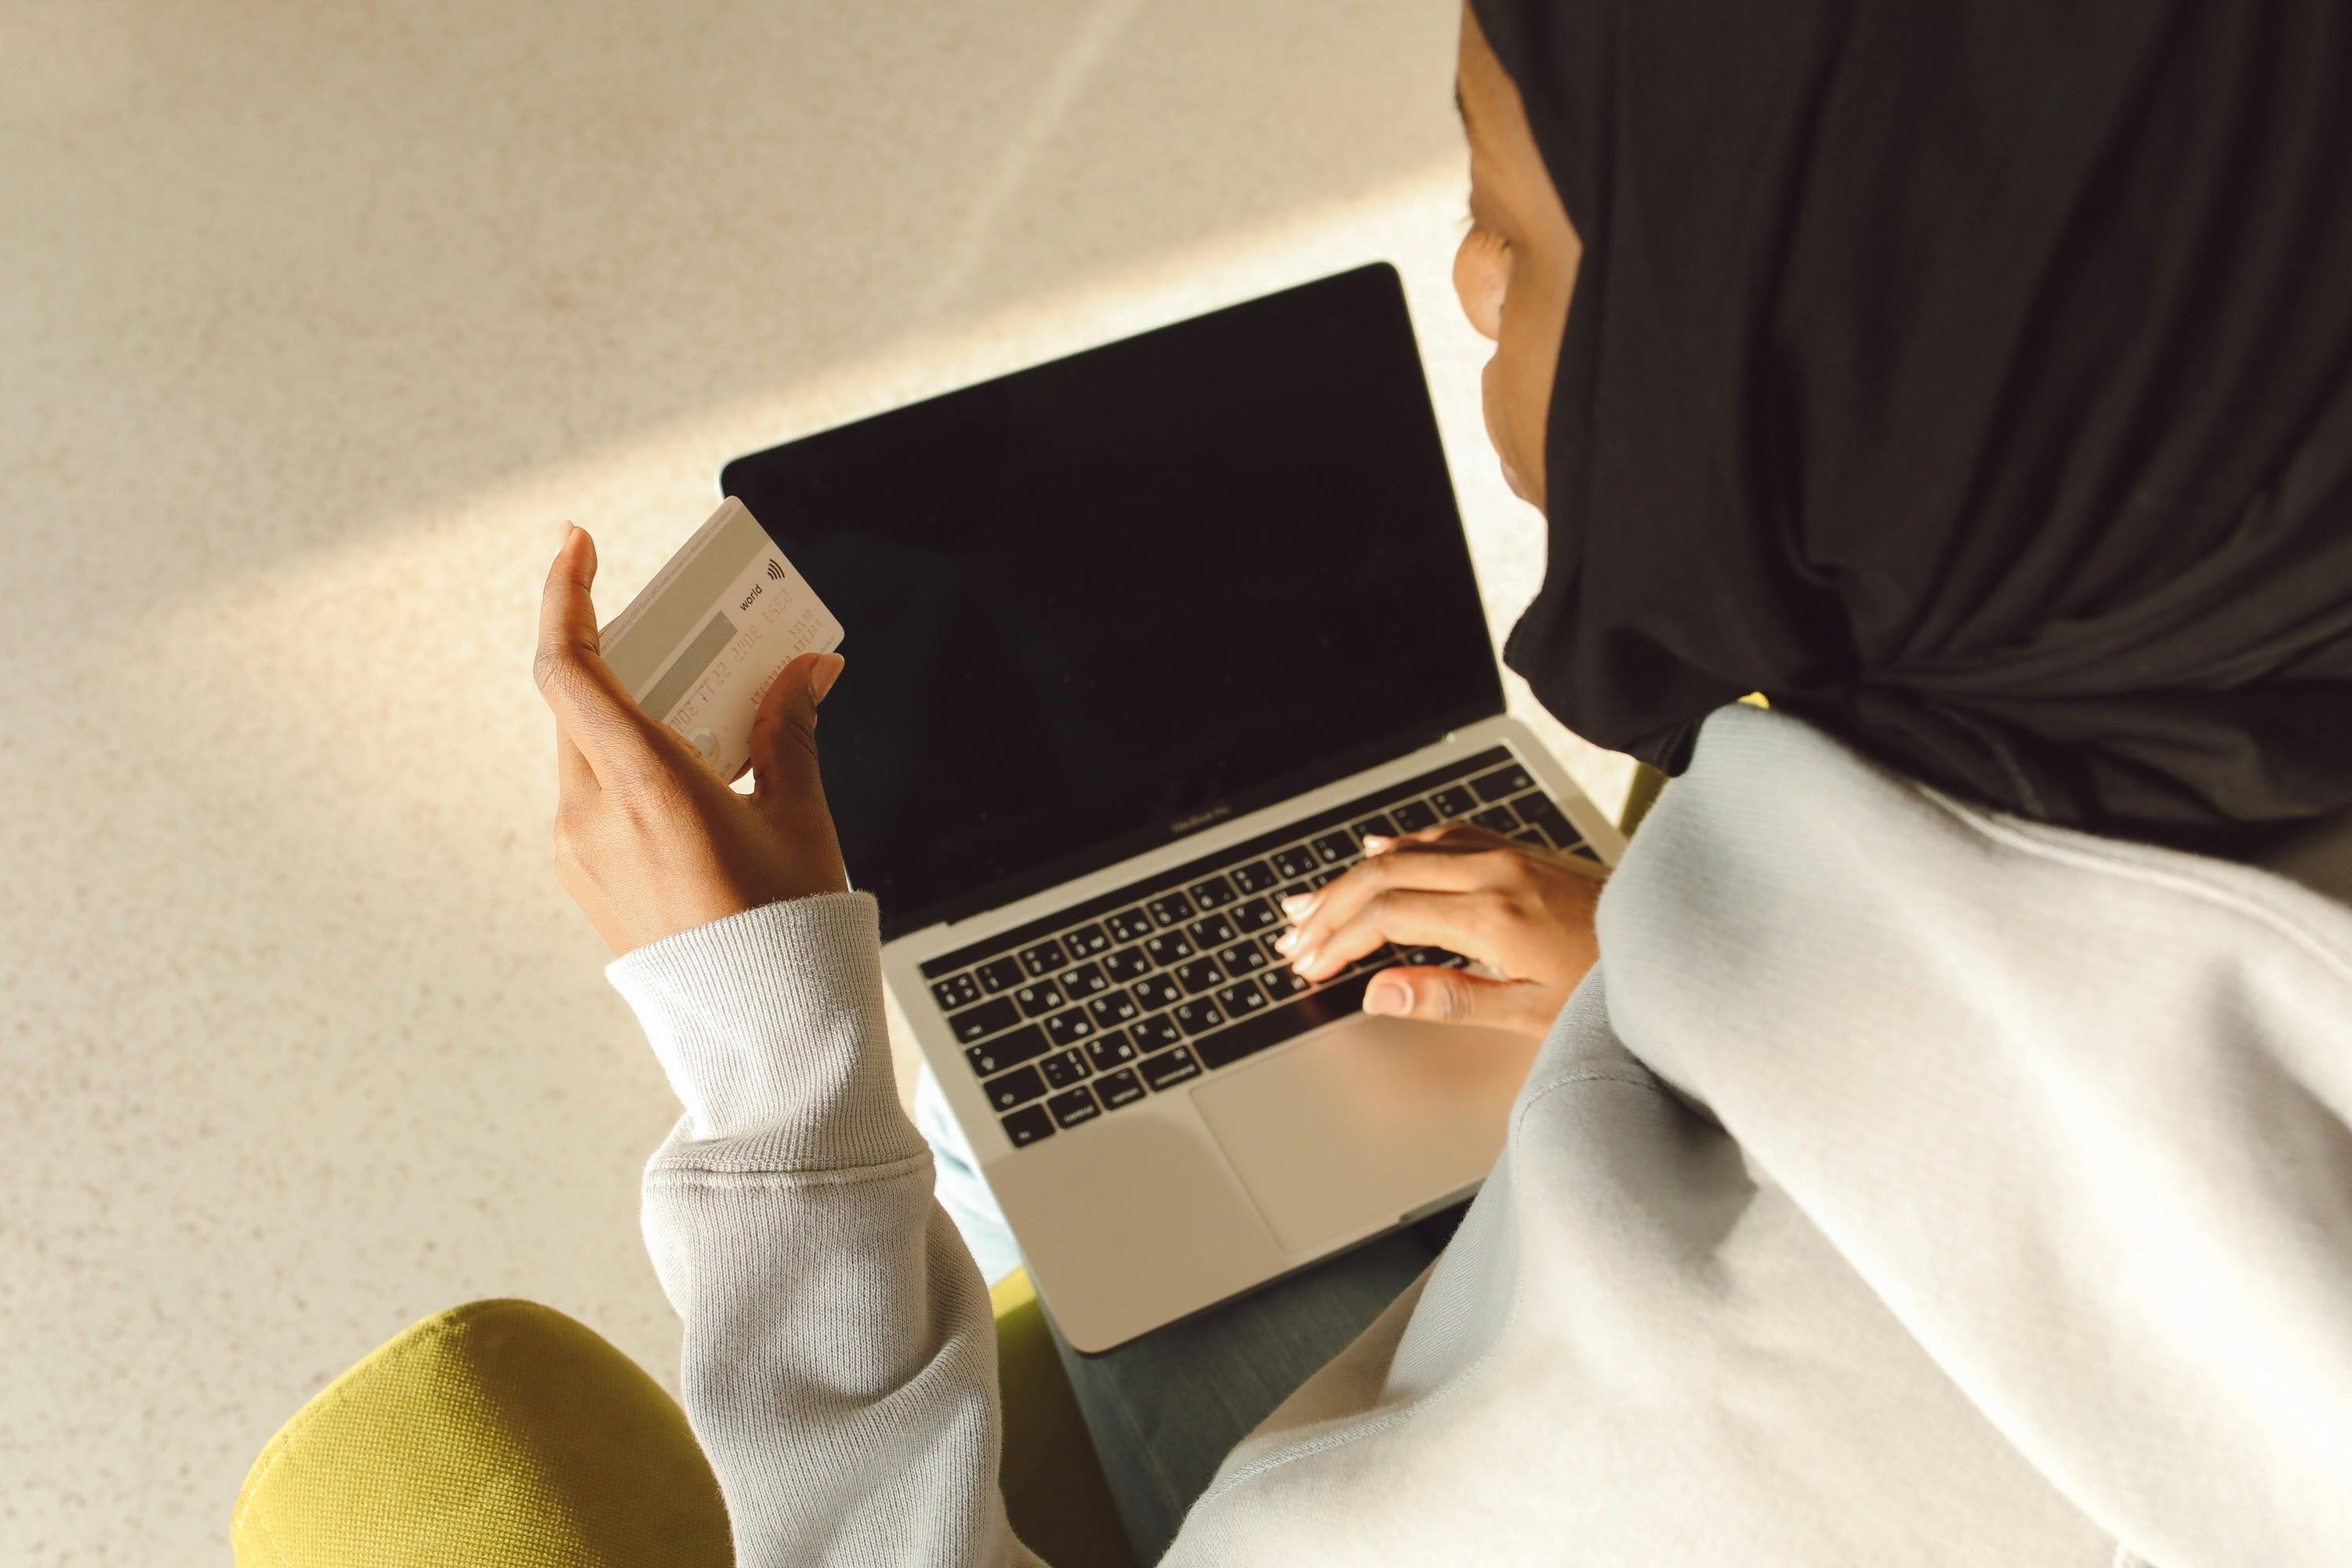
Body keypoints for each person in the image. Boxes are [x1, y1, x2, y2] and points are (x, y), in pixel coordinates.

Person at [532, 2, 2352, 1562]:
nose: (1470, 278)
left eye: (1516, 225)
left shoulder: (1629, 1465)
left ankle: (967, 1160)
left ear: (1810, 349)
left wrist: (777, 1072)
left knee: (1017, 1155)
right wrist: (1677, 984)